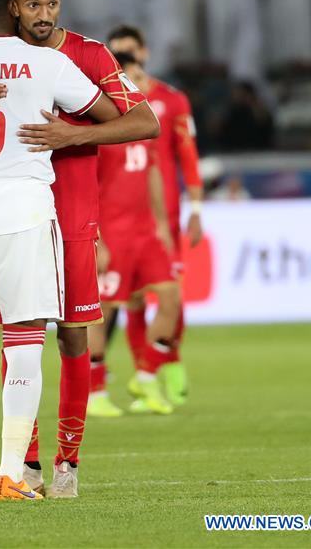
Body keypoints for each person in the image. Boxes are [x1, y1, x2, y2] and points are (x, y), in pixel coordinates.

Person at [0, 0, 159, 498]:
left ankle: (66, 462)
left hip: (68, 219)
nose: (44, 15)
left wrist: (69, 137)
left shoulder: (87, 54)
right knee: (18, 338)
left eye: (52, 4)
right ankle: (21, 464)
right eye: (32, 5)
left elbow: (146, 121)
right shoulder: (35, 63)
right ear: (13, 6)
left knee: (71, 337)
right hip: (27, 216)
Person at [107, 24, 203, 406]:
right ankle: (144, 379)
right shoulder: (106, 106)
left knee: (169, 296)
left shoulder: (172, 100)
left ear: (144, 53)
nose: (124, 60)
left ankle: (170, 363)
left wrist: (196, 209)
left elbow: (188, 157)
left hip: (164, 215)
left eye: (129, 52)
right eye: (117, 53)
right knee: (131, 303)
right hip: (122, 219)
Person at [91, 53, 181, 417]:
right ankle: (95, 391)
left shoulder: (144, 126)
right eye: (137, 78)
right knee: (104, 312)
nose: (145, 84)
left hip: (146, 233)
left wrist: (161, 224)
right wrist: (96, 239)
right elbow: (87, 188)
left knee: (171, 299)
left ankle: (145, 378)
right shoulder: (104, 130)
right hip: (114, 234)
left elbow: (154, 175)